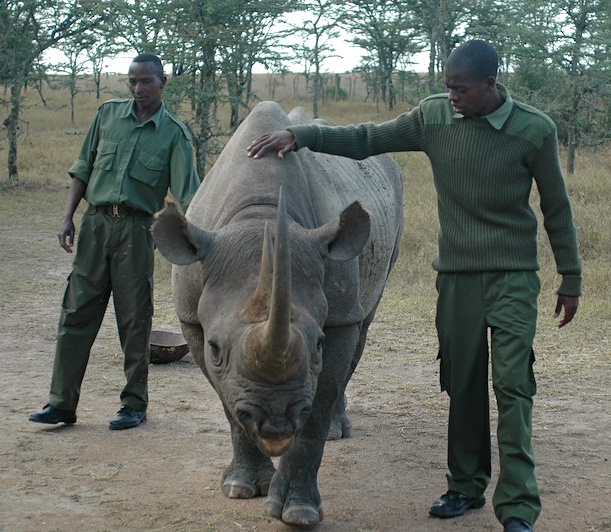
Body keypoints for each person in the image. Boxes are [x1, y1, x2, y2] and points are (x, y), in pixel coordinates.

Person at [246, 40, 581, 532]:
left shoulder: (534, 129)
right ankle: (465, 486)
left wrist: (570, 277)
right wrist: (300, 135)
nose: (452, 96)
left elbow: (556, 206)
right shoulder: (434, 117)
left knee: (513, 387)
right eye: (447, 87)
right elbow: (366, 138)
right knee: (462, 384)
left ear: (490, 84)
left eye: (461, 89)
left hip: (512, 277)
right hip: (457, 279)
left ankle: (518, 506)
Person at [29, 53, 200, 431]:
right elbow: (83, 168)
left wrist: (203, 240)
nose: (138, 88)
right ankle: (60, 403)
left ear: (163, 82)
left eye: (146, 81)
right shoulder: (107, 115)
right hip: (95, 225)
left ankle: (133, 404)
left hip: (137, 233)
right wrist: (67, 217)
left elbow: (190, 194)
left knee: (135, 321)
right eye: (132, 81)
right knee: (75, 314)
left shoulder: (174, 134)